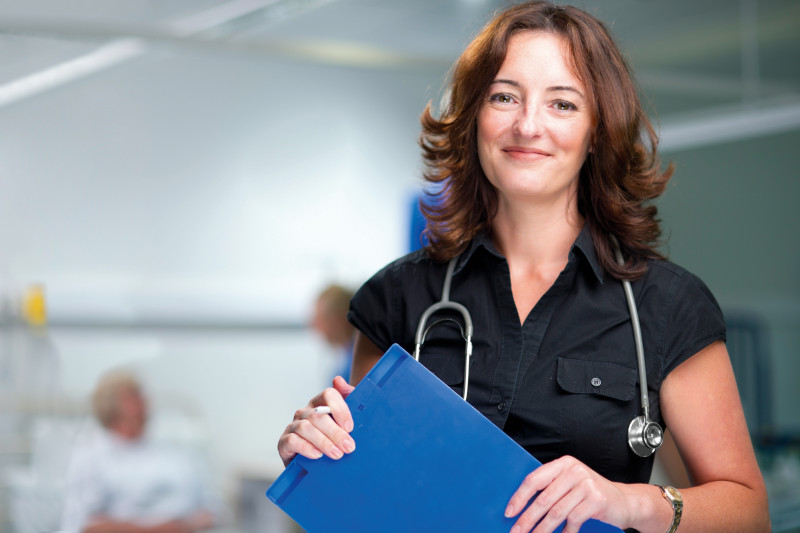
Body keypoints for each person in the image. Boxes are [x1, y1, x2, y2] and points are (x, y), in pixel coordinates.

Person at [277, 2, 770, 532]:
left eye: (562, 104)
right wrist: (318, 456)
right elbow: (368, 505)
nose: (528, 124)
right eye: (504, 97)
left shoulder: (667, 305)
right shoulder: (397, 298)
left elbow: (749, 512)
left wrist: (631, 502)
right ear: (473, 117)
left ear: (597, 132)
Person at [61, 370, 224, 533]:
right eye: (133, 398)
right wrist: (164, 529)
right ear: (110, 406)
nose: (144, 403)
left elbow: (212, 509)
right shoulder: (90, 456)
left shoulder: (174, 453)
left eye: (142, 397)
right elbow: (87, 526)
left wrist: (194, 523)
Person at [310, 284, 356, 383]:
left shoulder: (356, 364)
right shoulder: (346, 359)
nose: (316, 326)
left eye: (322, 319)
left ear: (340, 319)